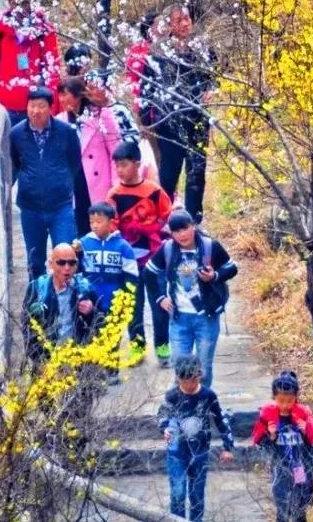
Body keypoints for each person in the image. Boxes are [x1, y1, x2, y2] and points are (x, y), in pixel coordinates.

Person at [139, 4, 216, 223]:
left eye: (187, 19)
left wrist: (210, 90)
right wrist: (148, 122)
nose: (184, 24)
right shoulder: (158, 53)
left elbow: (214, 76)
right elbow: (147, 90)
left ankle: (194, 219)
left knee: (197, 170)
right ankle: (163, 217)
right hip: (169, 121)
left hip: (198, 119)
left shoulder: (202, 48)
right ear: (170, 25)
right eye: (179, 20)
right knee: (169, 171)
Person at [146, 209, 237, 389]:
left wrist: (215, 276)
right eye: (176, 231)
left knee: (203, 368)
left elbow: (231, 268)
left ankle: (203, 405)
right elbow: (149, 273)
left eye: (185, 228)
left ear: (193, 227)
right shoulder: (167, 249)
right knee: (181, 368)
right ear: (171, 233)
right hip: (179, 318)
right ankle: (180, 407)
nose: (182, 235)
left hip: (207, 317)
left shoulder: (211, 246)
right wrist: (160, 298)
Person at [157, 354, 234, 522]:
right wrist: (164, 428)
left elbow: (221, 420)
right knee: (178, 493)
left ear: (199, 376)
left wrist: (228, 445)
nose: (190, 384)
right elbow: (162, 415)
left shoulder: (208, 395)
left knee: (197, 494)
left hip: (200, 452)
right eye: (185, 381)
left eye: (194, 379)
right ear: (178, 379)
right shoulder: (172, 396)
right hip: (176, 452)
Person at [11, 88, 91, 279]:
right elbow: (14, 164)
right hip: (30, 207)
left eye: (41, 106)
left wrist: (61, 183)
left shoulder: (66, 133)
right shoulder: (16, 134)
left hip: (61, 206)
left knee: (66, 255)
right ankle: (36, 303)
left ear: (50, 108)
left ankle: (68, 301)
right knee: (35, 258)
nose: (35, 111)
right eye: (32, 106)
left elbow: (74, 164)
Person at [107, 140, 173, 365]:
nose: (119, 170)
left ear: (137, 164)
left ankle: (162, 345)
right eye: (116, 165)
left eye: (123, 165)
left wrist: (157, 235)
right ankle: (137, 346)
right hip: (127, 260)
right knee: (132, 304)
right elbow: (110, 224)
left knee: (159, 302)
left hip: (154, 259)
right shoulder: (114, 194)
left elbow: (167, 216)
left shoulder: (154, 191)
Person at [252, 371, 313, 522]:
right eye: (281, 400)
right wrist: (272, 436)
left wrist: (305, 428)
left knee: (300, 513)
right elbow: (259, 442)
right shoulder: (267, 416)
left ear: (295, 399)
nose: (285, 405)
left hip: (300, 470)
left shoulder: (303, 415)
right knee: (282, 513)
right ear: (274, 397)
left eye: (289, 401)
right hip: (281, 471)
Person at [0, 0, 61, 125]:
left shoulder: (43, 28)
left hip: (36, 105)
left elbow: (53, 67)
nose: (21, 8)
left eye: (25, 3)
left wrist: (53, 103)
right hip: (4, 102)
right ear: (9, 3)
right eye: (16, 3)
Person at [23, 242, 104, 364]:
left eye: (71, 263)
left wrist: (91, 311)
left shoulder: (84, 288)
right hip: (47, 361)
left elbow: (102, 322)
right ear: (51, 264)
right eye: (61, 263)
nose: (67, 268)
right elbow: (27, 326)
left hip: (78, 359)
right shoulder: (38, 288)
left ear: (77, 265)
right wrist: (38, 360)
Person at [78, 201, 139, 326]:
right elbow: (76, 272)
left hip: (115, 304)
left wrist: (124, 301)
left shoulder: (123, 247)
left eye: (99, 222)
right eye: (91, 222)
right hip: (88, 303)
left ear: (111, 223)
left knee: (111, 341)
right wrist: (82, 297)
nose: (94, 226)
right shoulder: (83, 244)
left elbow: (132, 277)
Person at [78, 73, 123, 205]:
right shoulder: (87, 112)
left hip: (106, 180)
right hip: (85, 180)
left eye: (94, 87)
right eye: (88, 88)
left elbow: (117, 150)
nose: (89, 92)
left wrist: (117, 184)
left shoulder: (115, 111)